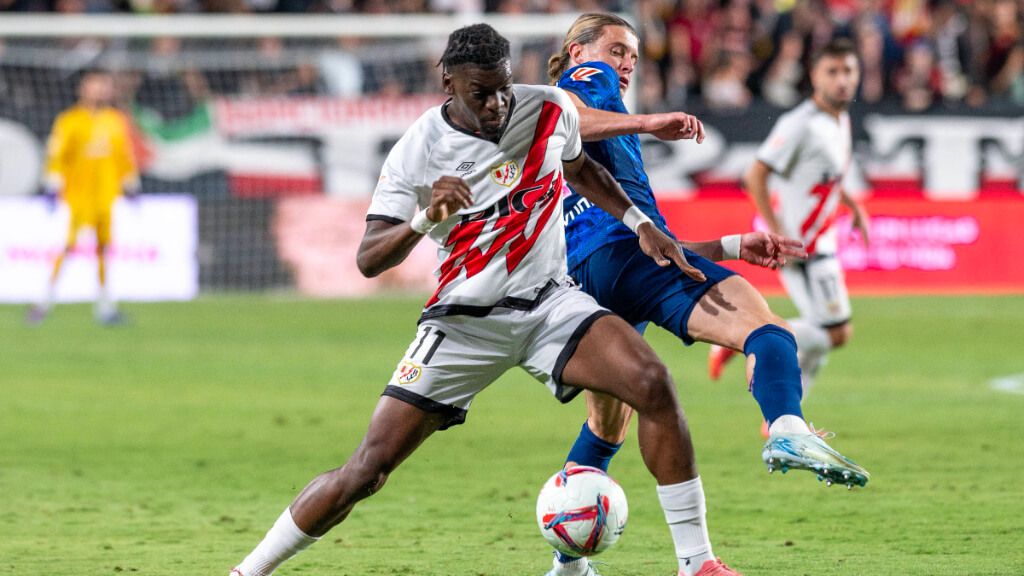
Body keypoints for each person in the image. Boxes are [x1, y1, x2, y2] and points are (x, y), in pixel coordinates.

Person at [230, 24, 741, 576]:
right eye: (481, 93)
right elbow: (369, 259)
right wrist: (426, 218)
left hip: (550, 306)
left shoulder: (548, 108)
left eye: (503, 88)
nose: (497, 104)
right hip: (465, 322)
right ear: (448, 83)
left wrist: (641, 223)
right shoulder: (419, 150)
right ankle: (248, 570)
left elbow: (582, 168)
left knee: (652, 383)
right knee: (367, 470)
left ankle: (697, 564)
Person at [545, 15, 871, 576]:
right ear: (578, 51)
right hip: (622, 257)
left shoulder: (573, 135)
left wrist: (729, 245)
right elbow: (567, 116)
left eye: (633, 57)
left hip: (589, 276)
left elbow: (643, 238)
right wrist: (653, 121)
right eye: (617, 50)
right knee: (769, 331)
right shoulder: (586, 82)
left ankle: (567, 567)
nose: (626, 64)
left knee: (607, 425)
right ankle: (785, 429)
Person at [712, 38, 870, 399]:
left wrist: (854, 206)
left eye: (848, 71)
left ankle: (783, 417)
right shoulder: (799, 124)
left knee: (820, 341)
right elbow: (755, 175)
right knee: (836, 333)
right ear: (814, 75)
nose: (842, 80)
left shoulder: (839, 119)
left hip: (820, 239)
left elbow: (827, 177)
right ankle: (743, 336)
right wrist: (777, 230)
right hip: (801, 245)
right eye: (832, 71)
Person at [28, 70, 140, 326]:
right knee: (65, 247)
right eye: (94, 86)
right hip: (76, 198)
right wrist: (52, 185)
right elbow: (57, 155)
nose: (99, 91)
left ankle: (105, 307)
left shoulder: (115, 120)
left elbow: (124, 156)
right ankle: (43, 303)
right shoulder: (70, 121)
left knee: (104, 249)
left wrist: (131, 184)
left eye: (103, 86)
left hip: (106, 196)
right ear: (83, 89)